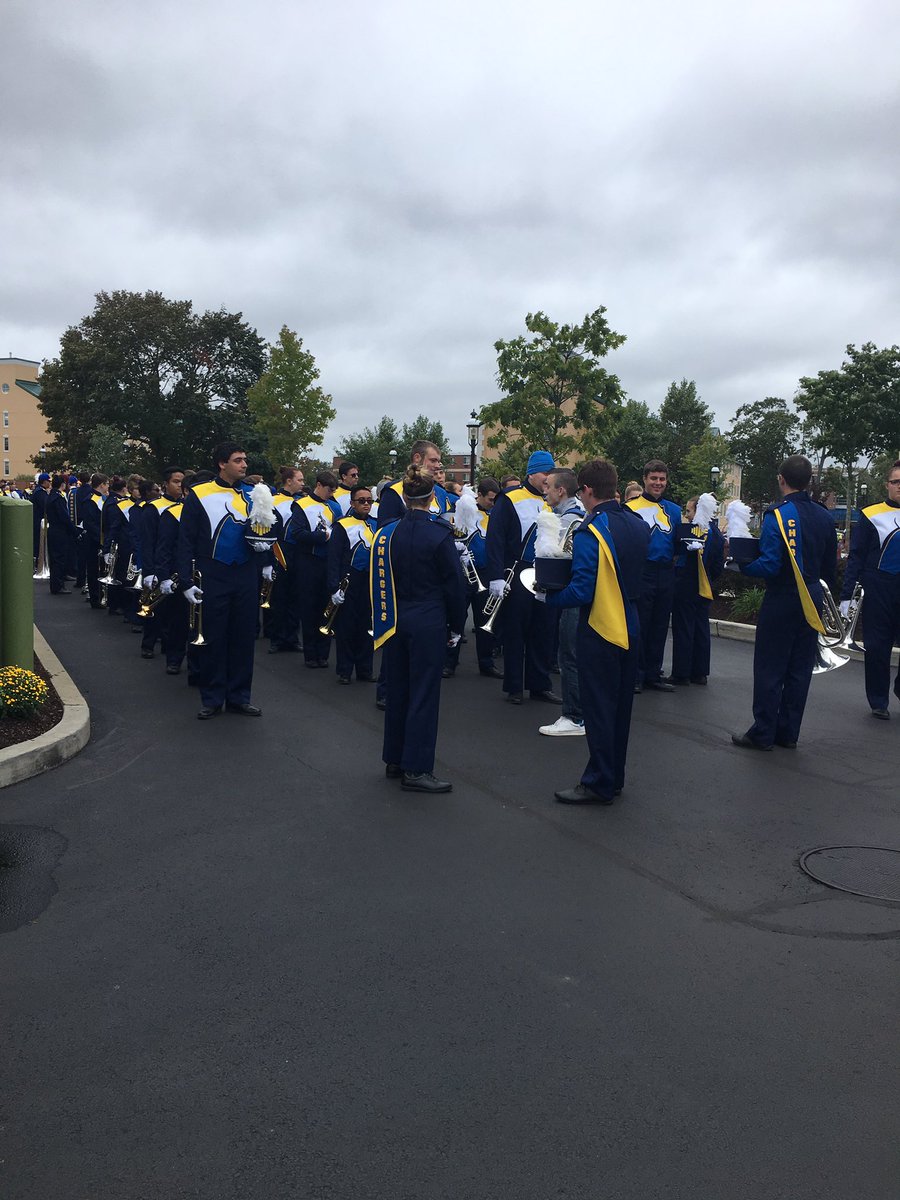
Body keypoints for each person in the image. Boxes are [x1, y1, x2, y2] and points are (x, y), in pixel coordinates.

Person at [541, 459, 650, 803]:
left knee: (599, 708)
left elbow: (582, 589)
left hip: (601, 626)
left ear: (587, 491)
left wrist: (547, 596)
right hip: (631, 624)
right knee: (619, 710)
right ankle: (614, 775)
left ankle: (599, 782)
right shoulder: (636, 523)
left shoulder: (591, 530)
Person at [732, 454, 838, 750]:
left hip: (782, 597)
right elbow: (830, 568)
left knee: (770, 666)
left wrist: (740, 566)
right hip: (812, 596)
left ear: (781, 479)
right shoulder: (824, 516)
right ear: (809, 481)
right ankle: (788, 733)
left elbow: (769, 565)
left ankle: (763, 732)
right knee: (799, 668)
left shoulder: (777, 514)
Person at [373, 465, 466, 792]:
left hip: (396, 618)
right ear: (431, 498)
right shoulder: (440, 533)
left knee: (398, 688)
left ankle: (395, 759)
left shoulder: (388, 533)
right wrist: (456, 625)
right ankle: (417, 769)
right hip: (428, 619)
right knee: (424, 693)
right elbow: (454, 586)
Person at [177, 442, 278, 719]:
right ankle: (212, 697)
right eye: (238, 460)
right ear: (223, 463)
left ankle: (239, 696)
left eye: (245, 459)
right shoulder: (200, 493)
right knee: (214, 637)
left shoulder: (255, 493)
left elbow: (268, 530)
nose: (244, 464)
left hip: (245, 572)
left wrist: (265, 555)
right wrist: (185, 580)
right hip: (213, 572)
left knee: (244, 637)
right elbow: (185, 540)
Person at [484, 450, 561, 705]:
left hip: (547, 571)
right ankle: (515, 686)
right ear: (531, 473)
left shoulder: (556, 500)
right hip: (518, 571)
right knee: (516, 629)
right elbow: (495, 539)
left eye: (551, 473)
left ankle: (540, 684)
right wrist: (495, 576)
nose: (548, 478)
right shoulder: (510, 499)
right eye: (544, 473)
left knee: (544, 629)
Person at [840, 460, 900, 719]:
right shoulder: (870, 514)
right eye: (896, 482)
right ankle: (878, 701)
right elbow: (856, 555)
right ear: (887, 485)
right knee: (877, 646)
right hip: (879, 586)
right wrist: (846, 595)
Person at [626, 460, 682, 692]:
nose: (658, 483)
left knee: (660, 624)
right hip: (642, 571)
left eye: (662, 479)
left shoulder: (674, 510)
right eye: (654, 479)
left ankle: (653, 673)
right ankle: (636, 675)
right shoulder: (631, 507)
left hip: (666, 571)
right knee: (641, 623)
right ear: (645, 479)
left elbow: (678, 542)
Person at [539, 467, 586, 736]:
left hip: (572, 595)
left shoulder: (569, 520)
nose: (544, 490)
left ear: (561, 490)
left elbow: (562, 560)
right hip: (574, 593)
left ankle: (574, 717)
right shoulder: (567, 516)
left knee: (569, 656)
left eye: (548, 485)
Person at [444, 476, 502, 679]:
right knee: (457, 618)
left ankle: (486, 663)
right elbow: (456, 536)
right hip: (465, 571)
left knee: (485, 620)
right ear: (480, 495)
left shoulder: (496, 514)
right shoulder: (467, 509)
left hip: (486, 574)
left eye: (496, 500)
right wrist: (460, 549)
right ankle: (449, 661)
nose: (493, 503)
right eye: (490, 499)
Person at [668, 495, 725, 685]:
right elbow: (718, 564)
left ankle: (681, 672)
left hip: (686, 583)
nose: (687, 515)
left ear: (698, 511)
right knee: (701, 628)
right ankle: (700, 672)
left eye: (689, 511)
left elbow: (679, 555)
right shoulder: (716, 533)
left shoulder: (691, 531)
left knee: (683, 627)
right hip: (705, 585)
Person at [290, 469, 342, 667]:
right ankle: (311, 654)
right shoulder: (301, 505)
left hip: (328, 562)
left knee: (326, 607)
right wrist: (323, 537)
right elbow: (297, 533)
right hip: (308, 561)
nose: (331, 494)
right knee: (309, 607)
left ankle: (324, 653)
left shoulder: (334, 507)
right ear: (319, 485)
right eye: (329, 490)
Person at [327, 484, 378, 682]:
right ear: (352, 503)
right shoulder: (342, 525)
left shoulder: (377, 524)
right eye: (361, 501)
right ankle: (345, 670)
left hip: (370, 581)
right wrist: (333, 587)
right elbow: (333, 558)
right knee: (347, 627)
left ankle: (365, 669)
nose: (366, 504)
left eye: (369, 501)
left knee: (367, 626)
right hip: (348, 580)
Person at [269, 466, 306, 654]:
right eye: (299, 480)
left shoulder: (303, 502)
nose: (302, 483)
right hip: (280, 551)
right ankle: (277, 638)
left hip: (298, 553)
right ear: (289, 481)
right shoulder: (274, 501)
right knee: (279, 597)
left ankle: (292, 637)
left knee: (295, 597)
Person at [377, 441, 454, 525]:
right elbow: (384, 531)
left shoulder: (441, 492)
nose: (437, 466)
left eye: (438, 461)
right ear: (417, 458)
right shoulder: (393, 491)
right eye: (433, 460)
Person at [45, 474, 79, 594]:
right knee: (59, 559)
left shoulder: (52, 496)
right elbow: (64, 517)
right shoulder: (58, 498)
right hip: (59, 532)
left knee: (55, 559)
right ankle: (58, 585)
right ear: (62, 484)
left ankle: (57, 583)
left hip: (54, 530)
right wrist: (74, 531)